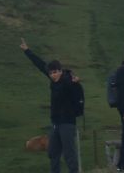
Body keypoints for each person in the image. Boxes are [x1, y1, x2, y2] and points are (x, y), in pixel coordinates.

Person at [20, 37, 81, 173]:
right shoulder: (54, 81)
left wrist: (76, 83)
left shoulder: (67, 82)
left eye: (55, 72)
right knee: (53, 152)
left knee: (69, 154)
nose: (53, 75)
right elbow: (41, 65)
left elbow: (77, 95)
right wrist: (27, 51)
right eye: (51, 73)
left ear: (60, 71)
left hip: (67, 123)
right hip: (55, 123)